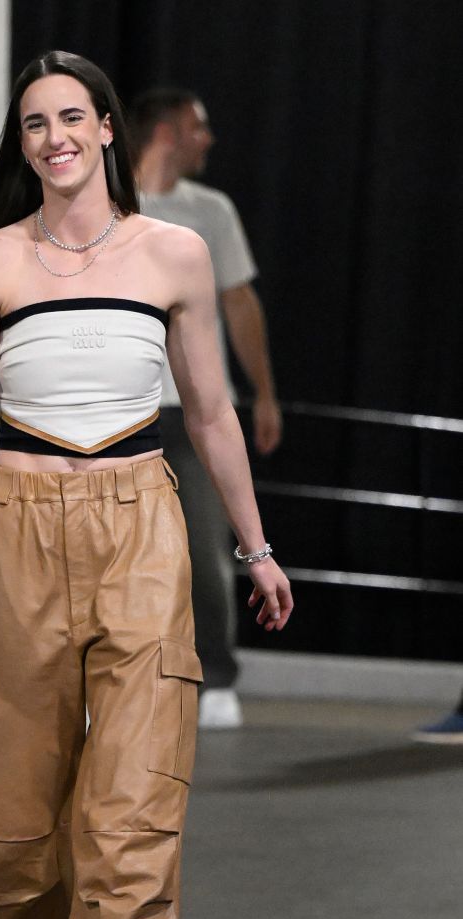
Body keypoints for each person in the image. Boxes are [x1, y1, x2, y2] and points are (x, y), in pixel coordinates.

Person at [0, 51, 293, 919]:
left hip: (142, 527)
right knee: (10, 840)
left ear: (104, 130)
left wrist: (256, 545)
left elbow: (214, 414)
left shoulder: (173, 254)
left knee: (133, 830)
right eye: (34, 122)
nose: (54, 138)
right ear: (24, 143)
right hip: (17, 534)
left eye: (71, 116)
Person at [130, 88, 283, 730]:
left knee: (203, 547)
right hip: (117, 410)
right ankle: (112, 682)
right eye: (199, 127)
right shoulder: (106, 203)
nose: (208, 139)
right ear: (166, 132)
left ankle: (215, 675)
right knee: (110, 552)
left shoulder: (209, 211)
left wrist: (264, 391)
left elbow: (239, 304)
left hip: (190, 406)